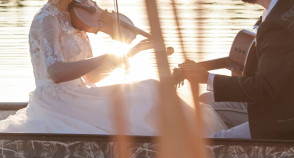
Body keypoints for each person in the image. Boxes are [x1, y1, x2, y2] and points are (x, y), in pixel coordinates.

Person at [0, 0, 226, 136]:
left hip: (79, 94)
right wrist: (104, 57)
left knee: (152, 89)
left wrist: (129, 54)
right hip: (57, 100)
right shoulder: (47, 19)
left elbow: (90, 77)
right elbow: (56, 73)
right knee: (149, 91)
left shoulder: (72, 18)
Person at [180, 0, 294, 140]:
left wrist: (207, 77)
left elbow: (264, 88)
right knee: (206, 101)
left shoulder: (278, 26)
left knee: (212, 143)